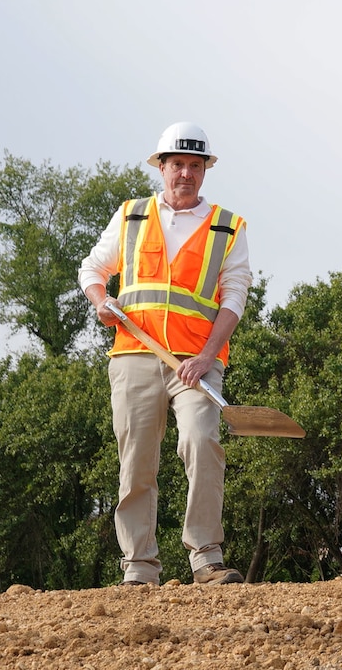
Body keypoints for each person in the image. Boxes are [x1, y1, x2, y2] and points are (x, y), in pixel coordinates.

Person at [80, 122, 251, 586]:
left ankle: (206, 558)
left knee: (202, 441)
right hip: (134, 353)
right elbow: (93, 268)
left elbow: (234, 297)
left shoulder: (227, 227)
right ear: (161, 167)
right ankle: (139, 566)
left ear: (205, 171)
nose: (186, 174)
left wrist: (206, 356)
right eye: (177, 164)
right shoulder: (132, 216)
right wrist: (102, 302)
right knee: (136, 458)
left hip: (196, 363)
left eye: (196, 166)